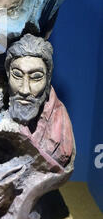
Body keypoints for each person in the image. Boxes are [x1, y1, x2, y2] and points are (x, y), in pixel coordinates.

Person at [5, 34, 74, 167]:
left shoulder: (60, 128)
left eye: (36, 77)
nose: (25, 90)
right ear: (8, 75)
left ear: (48, 80)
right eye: (17, 75)